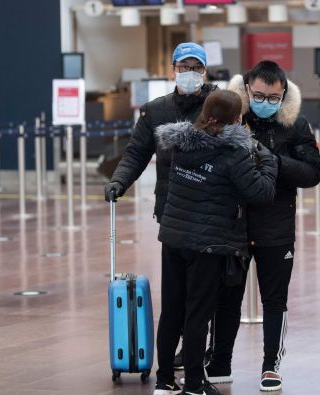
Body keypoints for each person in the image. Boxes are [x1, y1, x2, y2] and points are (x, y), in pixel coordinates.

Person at [204, 61, 320, 392]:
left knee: (275, 299)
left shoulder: (295, 125)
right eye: (258, 95)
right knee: (227, 297)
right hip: (234, 227)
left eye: (273, 97)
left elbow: (313, 172)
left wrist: (272, 160)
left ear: (283, 95)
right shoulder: (231, 118)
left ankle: (271, 364)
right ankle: (219, 361)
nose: (265, 101)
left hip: (276, 226)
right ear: (246, 90)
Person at [103, 42, 216, 381]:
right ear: (172, 71)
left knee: (205, 294)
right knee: (176, 292)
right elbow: (136, 154)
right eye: (184, 67)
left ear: (205, 72)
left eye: (197, 68)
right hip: (172, 213)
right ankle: (172, 364)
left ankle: (198, 354)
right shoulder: (156, 111)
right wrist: (119, 183)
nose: (190, 74)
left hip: (212, 212)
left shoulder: (219, 108)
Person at [153, 90, 278, 395]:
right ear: (236, 119)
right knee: (198, 314)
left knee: (171, 310)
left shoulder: (179, 144)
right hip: (208, 245)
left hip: (173, 238)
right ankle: (195, 384)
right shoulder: (234, 154)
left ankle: (164, 381)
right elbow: (261, 193)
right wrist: (269, 161)